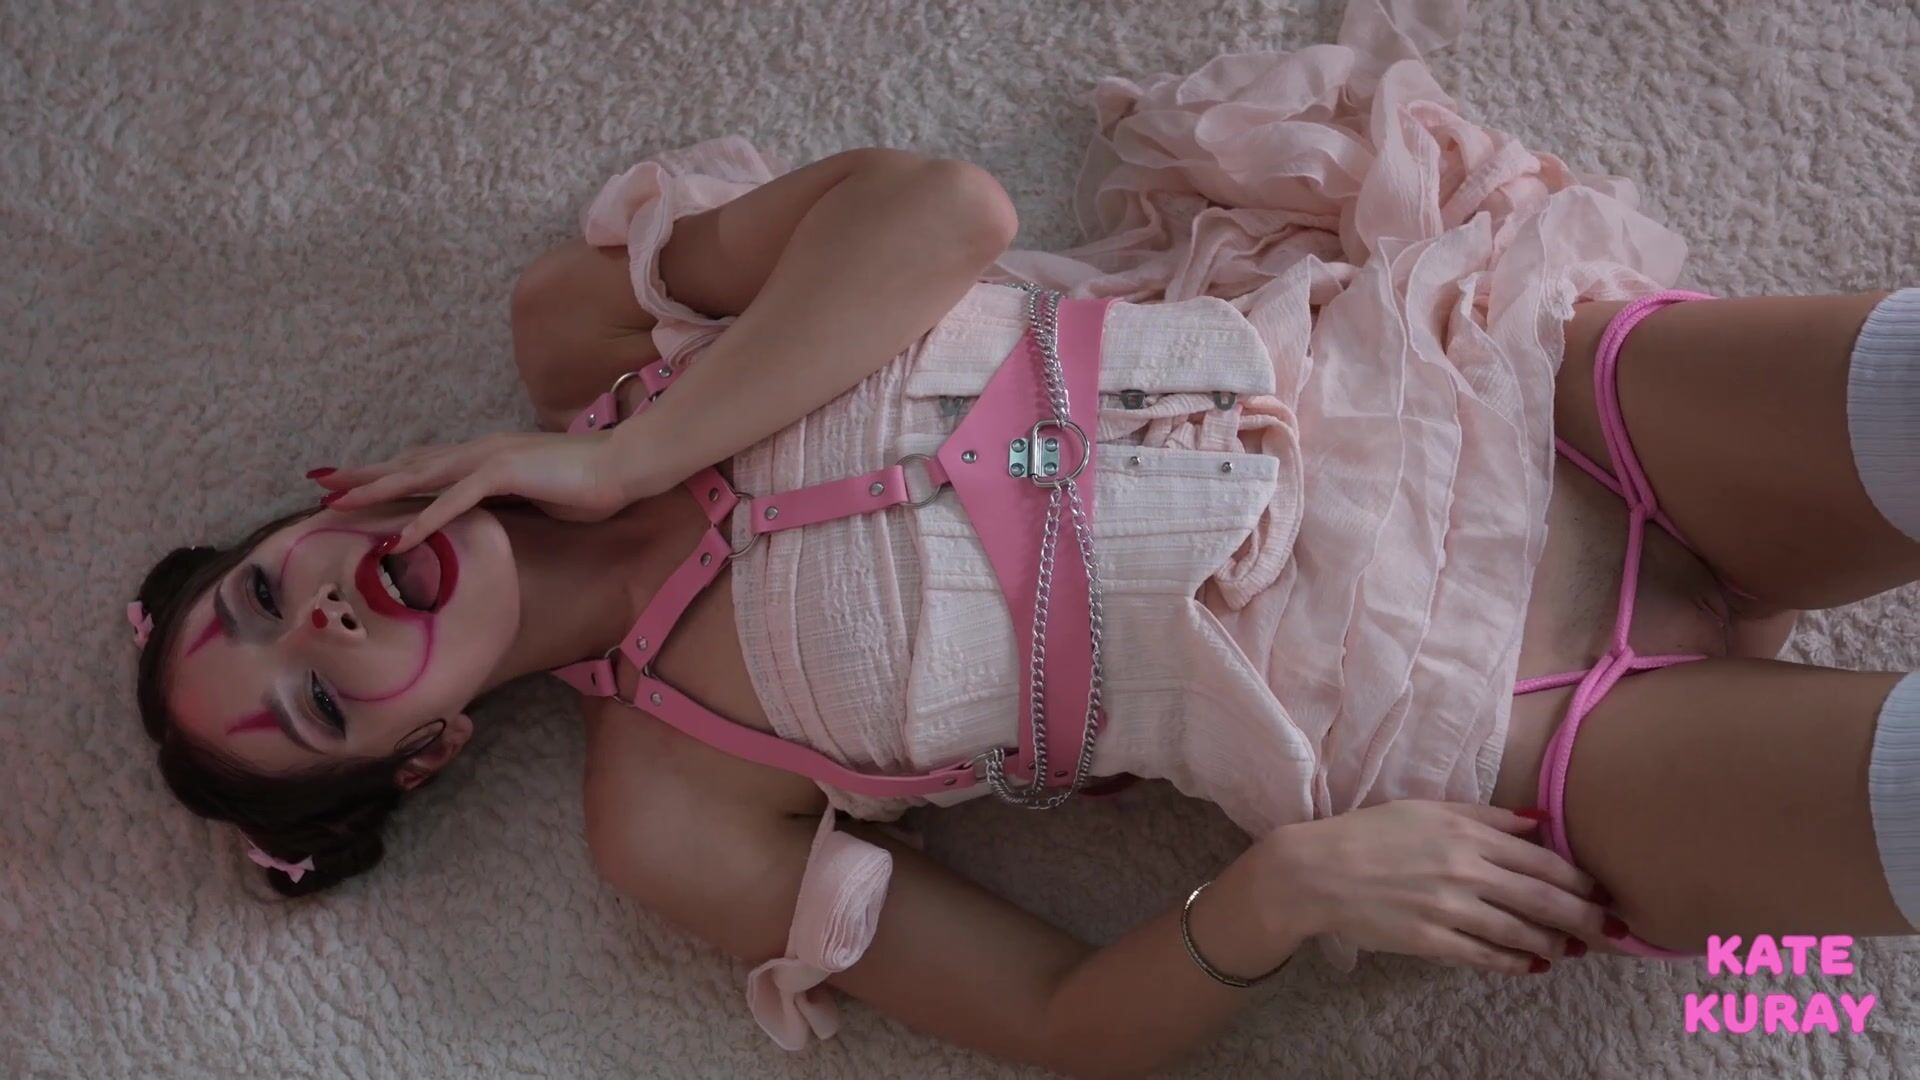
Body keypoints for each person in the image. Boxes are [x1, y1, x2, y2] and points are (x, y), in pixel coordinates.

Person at [128, 2, 1920, 1074]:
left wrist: (630, 453)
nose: (322, 624)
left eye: (266, 594)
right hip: (1472, 738)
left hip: (1483, 396)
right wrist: (1286, 895)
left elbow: (943, 213)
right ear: (427, 751)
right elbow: (1063, 1020)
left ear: (325, 500)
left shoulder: (587, 332)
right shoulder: (665, 811)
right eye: (317, 703)